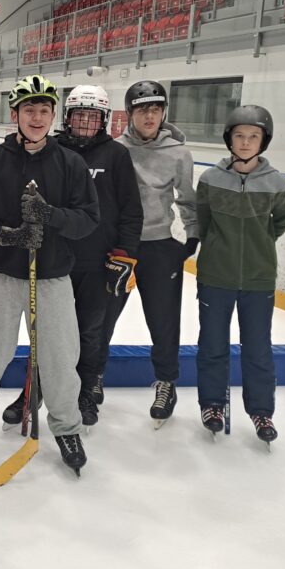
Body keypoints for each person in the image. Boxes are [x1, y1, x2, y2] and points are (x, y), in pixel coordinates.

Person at [0, 75, 99, 476]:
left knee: (60, 360)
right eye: (29, 110)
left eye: (44, 110)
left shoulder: (70, 164)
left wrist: (50, 216)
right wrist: (5, 234)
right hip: (0, 278)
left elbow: (89, 220)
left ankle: (66, 428)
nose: (37, 118)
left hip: (52, 279)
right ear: (14, 114)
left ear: (54, 116)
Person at [195, 105, 285, 445]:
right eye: (239, 135)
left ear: (264, 141)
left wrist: (257, 250)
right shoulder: (210, 179)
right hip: (215, 277)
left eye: (253, 136)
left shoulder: (277, 183)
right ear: (229, 139)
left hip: (258, 279)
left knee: (258, 349)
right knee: (212, 345)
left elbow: (278, 225)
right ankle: (212, 405)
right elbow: (204, 222)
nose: (246, 142)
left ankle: (261, 410)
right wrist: (218, 248)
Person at [109, 80, 198, 428]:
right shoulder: (115, 150)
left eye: (156, 109)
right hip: (120, 246)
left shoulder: (179, 153)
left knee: (163, 322)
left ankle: (166, 382)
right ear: (129, 113)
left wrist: (192, 234)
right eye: (143, 109)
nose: (150, 116)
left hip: (160, 247)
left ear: (164, 113)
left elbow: (187, 197)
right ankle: (91, 378)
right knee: (102, 319)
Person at [54, 85, 142, 427]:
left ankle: (86, 390)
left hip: (98, 261)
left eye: (93, 117)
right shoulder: (53, 150)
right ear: (68, 118)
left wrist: (124, 254)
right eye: (80, 116)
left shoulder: (116, 155)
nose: (86, 123)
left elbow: (131, 210)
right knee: (52, 331)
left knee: (91, 330)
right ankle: (45, 387)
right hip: (57, 261)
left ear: (104, 120)